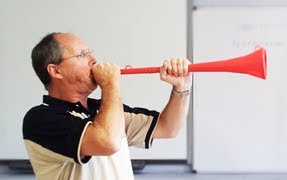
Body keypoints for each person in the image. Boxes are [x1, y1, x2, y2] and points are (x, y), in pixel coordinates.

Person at [22, 32, 192, 180]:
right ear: (55, 71)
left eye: (90, 53)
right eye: (82, 55)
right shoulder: (39, 119)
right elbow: (107, 142)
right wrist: (110, 85)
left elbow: (168, 127)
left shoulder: (104, 110)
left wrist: (182, 87)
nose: (94, 60)